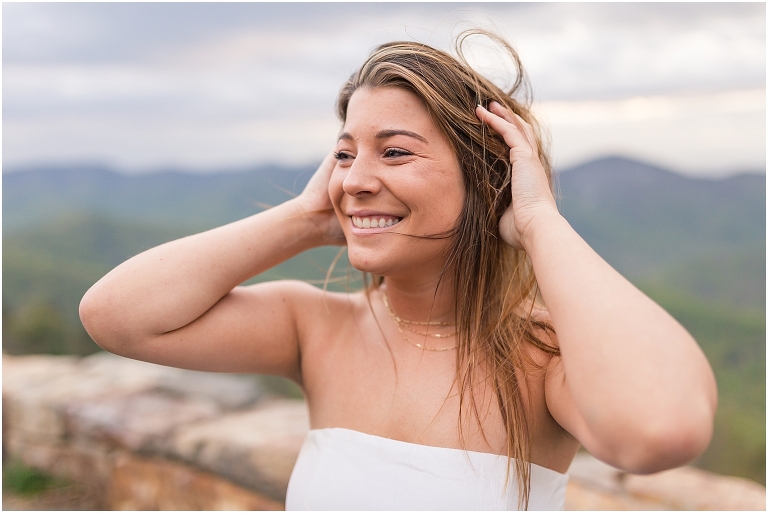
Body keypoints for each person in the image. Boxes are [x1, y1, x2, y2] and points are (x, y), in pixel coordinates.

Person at [79, 30, 717, 510]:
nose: (355, 179)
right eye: (344, 154)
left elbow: (661, 430)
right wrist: (306, 217)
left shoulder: (541, 355)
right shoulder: (317, 328)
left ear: (485, 176)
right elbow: (116, 316)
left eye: (395, 152)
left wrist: (538, 223)